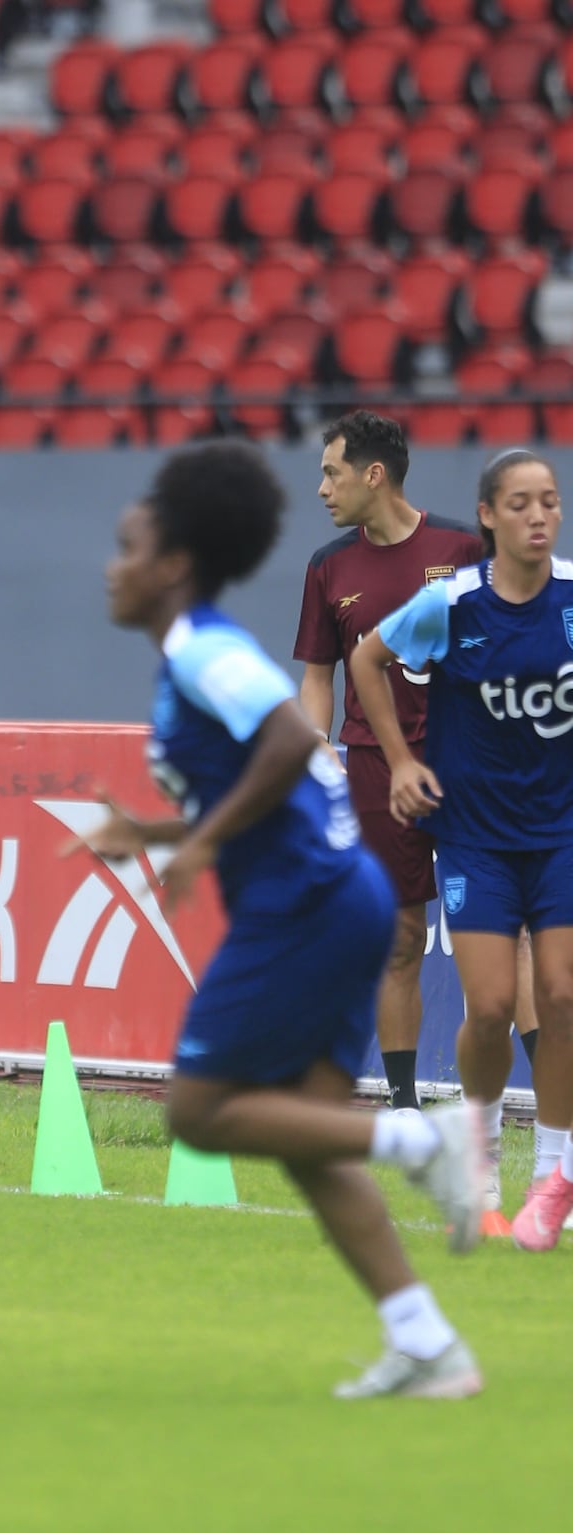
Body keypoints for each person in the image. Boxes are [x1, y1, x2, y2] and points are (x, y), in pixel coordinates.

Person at [70, 439, 484, 1397]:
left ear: (174, 564)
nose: (112, 567)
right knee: (306, 1136)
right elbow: (269, 782)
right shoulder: (194, 653)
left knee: (198, 1110)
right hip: (335, 896)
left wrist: (202, 844)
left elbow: (293, 740)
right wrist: (161, 831)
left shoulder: (203, 650)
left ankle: (421, 1140)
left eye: (129, 548)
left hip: (305, 905)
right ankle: (427, 1343)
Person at [351, 448, 573, 1253]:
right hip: (476, 836)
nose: (539, 517)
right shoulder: (451, 604)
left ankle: (554, 1176)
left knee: (562, 995)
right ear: (487, 516)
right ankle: (478, 1161)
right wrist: (401, 761)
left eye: (549, 501)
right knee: (488, 1008)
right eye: (520, 503)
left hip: (562, 832)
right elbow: (366, 659)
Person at [294, 411, 484, 1113]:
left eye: (331, 473)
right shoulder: (328, 566)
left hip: (469, 766)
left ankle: (523, 1109)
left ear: (374, 475)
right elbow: (318, 676)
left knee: (503, 937)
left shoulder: (464, 549)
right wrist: (317, 743)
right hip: (376, 769)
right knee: (400, 939)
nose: (322, 489)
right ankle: (404, 1106)